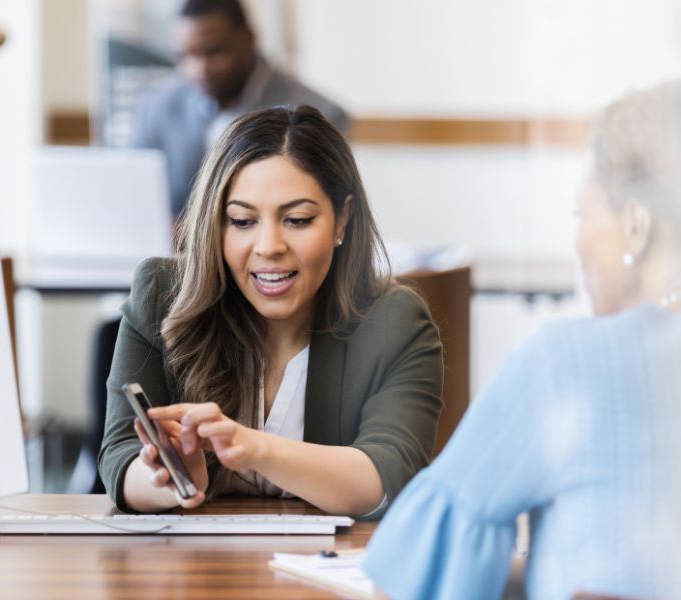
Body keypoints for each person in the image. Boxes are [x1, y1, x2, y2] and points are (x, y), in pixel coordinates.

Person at [362, 80, 681, 599]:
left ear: (636, 225)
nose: (578, 241)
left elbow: (414, 572)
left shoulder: (566, 364)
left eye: (582, 213)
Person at [98, 105, 442, 517]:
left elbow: (386, 478)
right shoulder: (162, 294)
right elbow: (120, 456)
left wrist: (254, 448)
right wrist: (169, 482)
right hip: (194, 572)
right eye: (242, 221)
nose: (268, 247)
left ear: (342, 220)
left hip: (329, 571)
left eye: (297, 220)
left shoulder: (394, 321)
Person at [130, 0, 350, 219]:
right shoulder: (156, 110)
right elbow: (133, 197)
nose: (199, 69)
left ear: (248, 39)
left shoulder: (320, 114)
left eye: (213, 52)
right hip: (173, 252)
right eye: (187, 56)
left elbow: (321, 214)